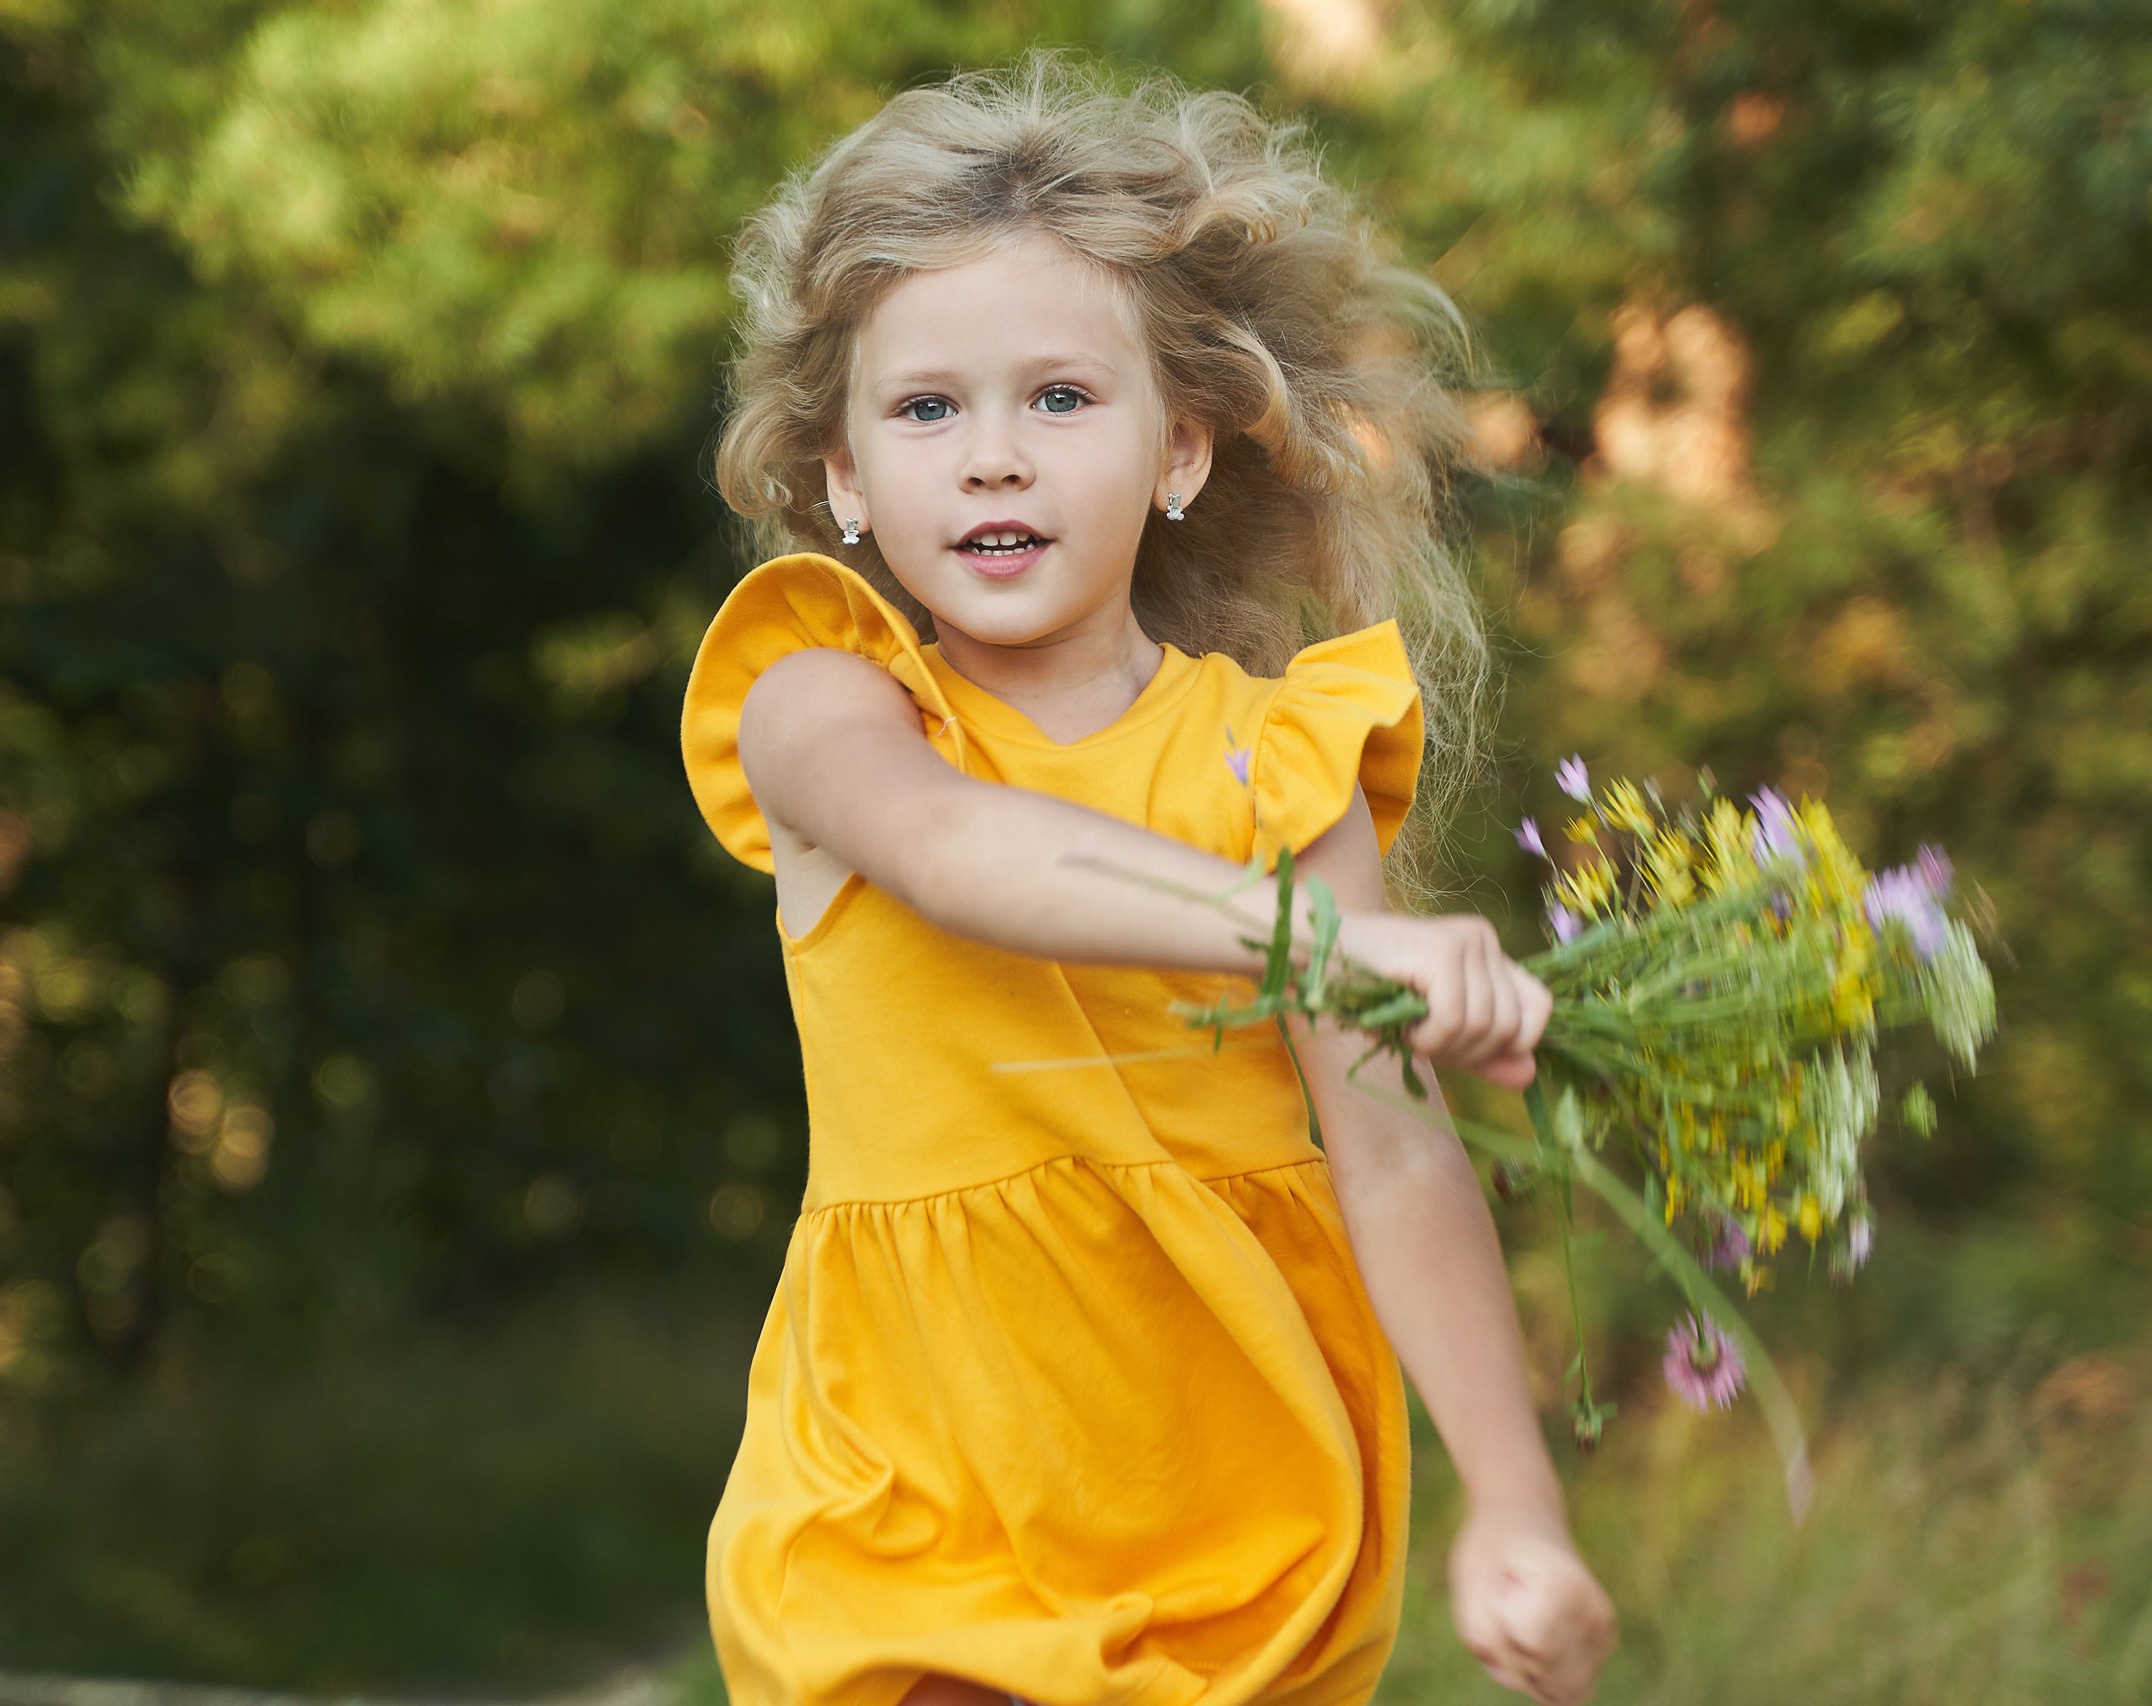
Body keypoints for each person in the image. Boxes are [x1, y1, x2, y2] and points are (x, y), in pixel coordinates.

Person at [681, 56, 1616, 1706]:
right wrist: (1330, 940)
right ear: (840, 475)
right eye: (924, 408)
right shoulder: (825, 694)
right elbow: (969, 856)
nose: (992, 458)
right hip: (912, 1491)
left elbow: (1396, 1159)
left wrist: (1518, 1510)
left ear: (1179, 448)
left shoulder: (1284, 762)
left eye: (1059, 398)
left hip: (1233, 1508)